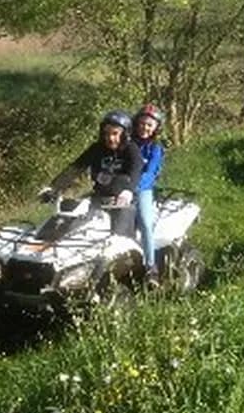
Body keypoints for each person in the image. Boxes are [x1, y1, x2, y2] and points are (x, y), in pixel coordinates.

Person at [39, 110, 143, 238]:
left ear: (125, 134)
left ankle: (147, 257)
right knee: (75, 225)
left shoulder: (131, 150)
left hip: (124, 202)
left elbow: (136, 169)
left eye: (115, 134)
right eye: (106, 133)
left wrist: (128, 191)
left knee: (121, 238)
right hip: (99, 198)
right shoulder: (97, 148)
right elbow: (77, 167)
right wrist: (54, 187)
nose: (110, 138)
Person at [132, 103, 166, 285]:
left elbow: (150, 173)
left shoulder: (155, 149)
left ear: (155, 128)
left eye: (149, 125)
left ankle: (151, 267)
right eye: (142, 123)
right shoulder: (126, 143)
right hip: (119, 189)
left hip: (142, 190)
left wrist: (132, 189)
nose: (144, 127)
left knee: (145, 223)